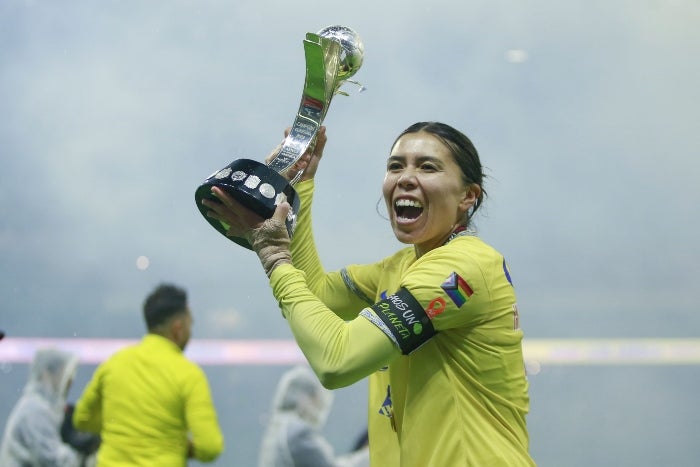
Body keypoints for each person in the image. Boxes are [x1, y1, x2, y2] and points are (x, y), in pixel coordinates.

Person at [202, 121, 534, 466]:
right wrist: (299, 187)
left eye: (427, 166)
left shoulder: (465, 266)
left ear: (469, 196)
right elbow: (317, 296)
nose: (405, 177)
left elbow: (337, 361)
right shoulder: (400, 267)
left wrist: (274, 256)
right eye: (395, 166)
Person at [72, 283, 224, 466]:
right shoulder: (189, 375)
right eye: (190, 325)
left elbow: (82, 419)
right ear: (178, 328)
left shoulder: (114, 363)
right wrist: (181, 445)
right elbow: (210, 447)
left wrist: (124, 430)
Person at [258, 365, 370, 467]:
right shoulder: (297, 432)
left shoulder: (278, 428)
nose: (320, 414)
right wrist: (369, 456)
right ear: (305, 397)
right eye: (319, 404)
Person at [0, 348, 90, 466]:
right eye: (63, 373)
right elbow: (54, 461)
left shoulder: (41, 408)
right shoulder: (34, 412)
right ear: (46, 374)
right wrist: (85, 451)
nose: (70, 381)